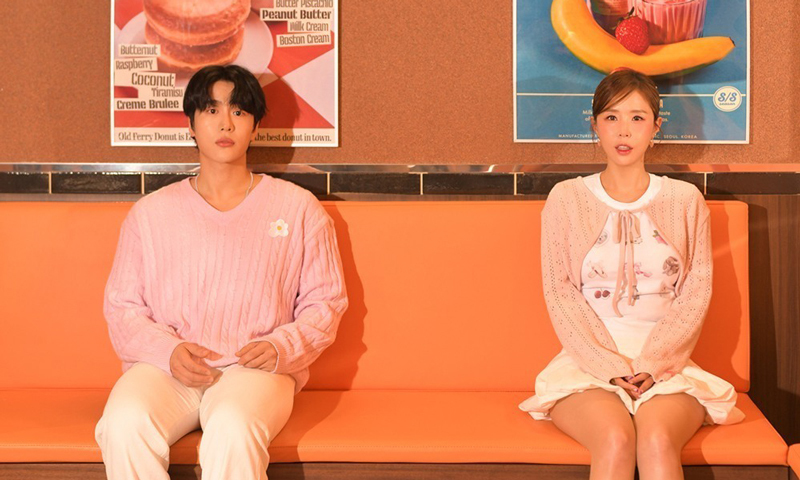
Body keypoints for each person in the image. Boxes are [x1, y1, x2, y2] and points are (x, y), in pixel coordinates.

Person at [95, 64, 348, 480]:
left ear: (255, 126)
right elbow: (122, 309)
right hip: (167, 368)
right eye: (211, 110)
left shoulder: (299, 208)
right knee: (122, 424)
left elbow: (326, 302)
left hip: (256, 370)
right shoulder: (150, 214)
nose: (225, 123)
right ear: (191, 125)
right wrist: (167, 351)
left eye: (239, 111)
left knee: (232, 427)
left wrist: (282, 345)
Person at [519, 69, 743, 480]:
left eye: (637, 118)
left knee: (656, 439)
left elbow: (696, 291)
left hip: (668, 364)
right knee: (615, 438)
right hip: (587, 362)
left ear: (656, 127)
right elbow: (560, 292)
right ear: (595, 126)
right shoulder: (566, 198)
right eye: (611, 117)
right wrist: (606, 364)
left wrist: (653, 364)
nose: (624, 130)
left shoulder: (684, 199)